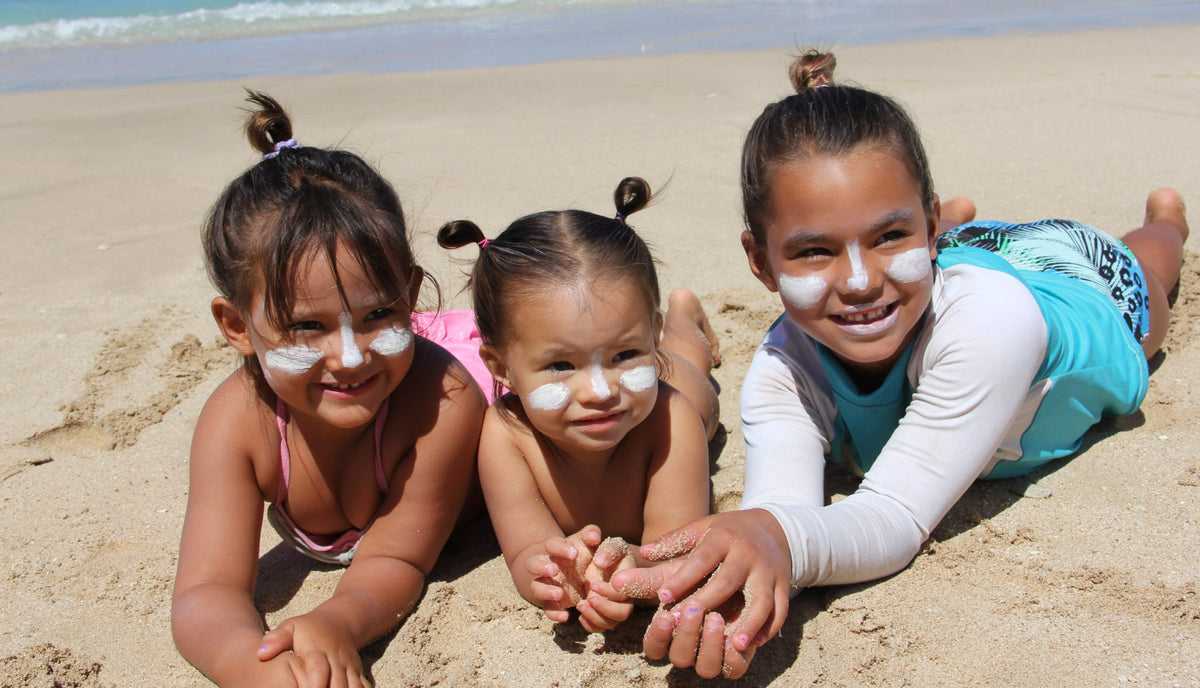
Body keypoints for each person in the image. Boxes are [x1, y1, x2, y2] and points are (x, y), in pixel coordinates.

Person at [611, 50, 1189, 679]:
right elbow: (782, 511)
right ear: (759, 262)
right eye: (814, 250)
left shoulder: (991, 324)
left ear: (926, 224)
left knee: (1150, 273)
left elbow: (891, 518)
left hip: (1076, 283)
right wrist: (706, 574)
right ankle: (955, 229)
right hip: (947, 266)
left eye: (889, 235)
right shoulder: (782, 367)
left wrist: (780, 543)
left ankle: (1166, 221)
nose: (858, 281)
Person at [171, 91, 490, 688]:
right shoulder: (239, 425)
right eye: (307, 326)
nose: (348, 356)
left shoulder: (441, 402)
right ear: (238, 326)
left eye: (378, 314)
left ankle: (685, 331)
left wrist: (338, 621)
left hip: (478, 363)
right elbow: (206, 589)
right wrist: (248, 664)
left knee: (665, 384)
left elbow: (397, 557)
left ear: (412, 296)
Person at [437, 177, 721, 633]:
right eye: (560, 365)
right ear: (501, 366)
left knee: (692, 360)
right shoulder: (507, 435)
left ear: (650, 338)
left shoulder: (671, 420)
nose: (599, 390)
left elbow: (677, 547)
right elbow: (527, 547)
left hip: (679, 386)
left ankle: (685, 317)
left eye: (626, 355)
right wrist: (553, 576)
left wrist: (638, 570)